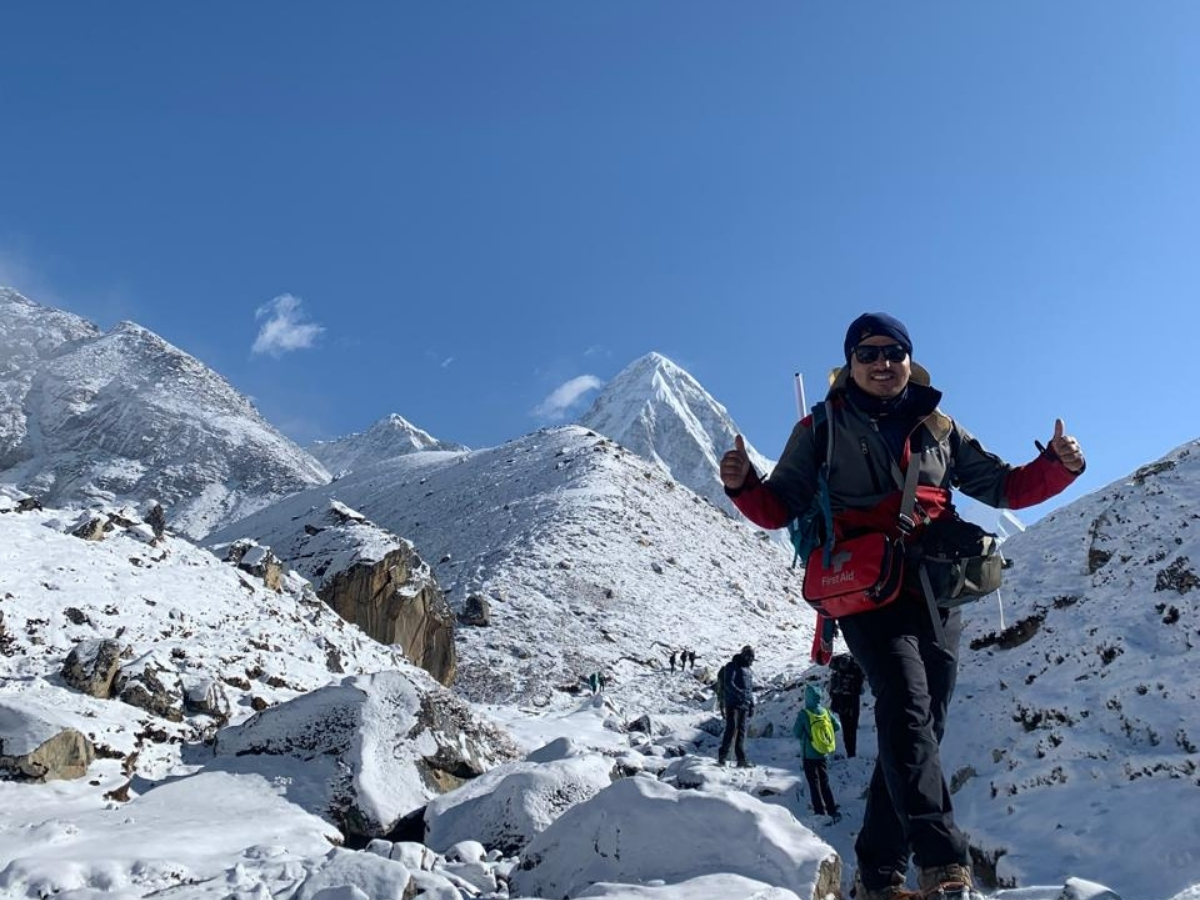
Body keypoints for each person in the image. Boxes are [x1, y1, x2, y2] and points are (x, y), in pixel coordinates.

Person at [719, 312, 1085, 900]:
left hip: (938, 590)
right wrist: (742, 485)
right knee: (907, 708)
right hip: (866, 589)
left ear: (910, 360)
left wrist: (1058, 467)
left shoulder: (939, 426)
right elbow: (779, 506)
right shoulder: (822, 427)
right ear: (850, 364)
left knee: (921, 727)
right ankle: (943, 866)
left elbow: (1002, 486)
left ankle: (878, 874)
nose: (882, 363)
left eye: (893, 352)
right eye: (868, 353)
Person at [793, 683, 841, 822]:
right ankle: (832, 810)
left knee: (814, 783)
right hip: (823, 753)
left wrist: (807, 735)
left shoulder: (804, 714)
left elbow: (796, 733)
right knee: (824, 781)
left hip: (808, 755)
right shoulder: (825, 711)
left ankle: (819, 812)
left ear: (807, 697)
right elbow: (837, 726)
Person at [717, 646, 756, 768]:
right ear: (744, 655)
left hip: (744, 704)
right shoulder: (732, 666)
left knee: (741, 731)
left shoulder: (749, 671)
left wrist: (752, 704)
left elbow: (749, 689)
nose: (751, 660)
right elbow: (729, 683)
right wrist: (740, 693)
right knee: (731, 728)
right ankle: (722, 756)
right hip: (733, 703)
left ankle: (741, 759)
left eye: (752, 658)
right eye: (749, 657)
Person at [829, 652, 866, 758]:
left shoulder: (838, 670)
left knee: (846, 728)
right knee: (852, 728)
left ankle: (850, 752)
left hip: (841, 700)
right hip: (853, 700)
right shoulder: (855, 669)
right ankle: (851, 752)